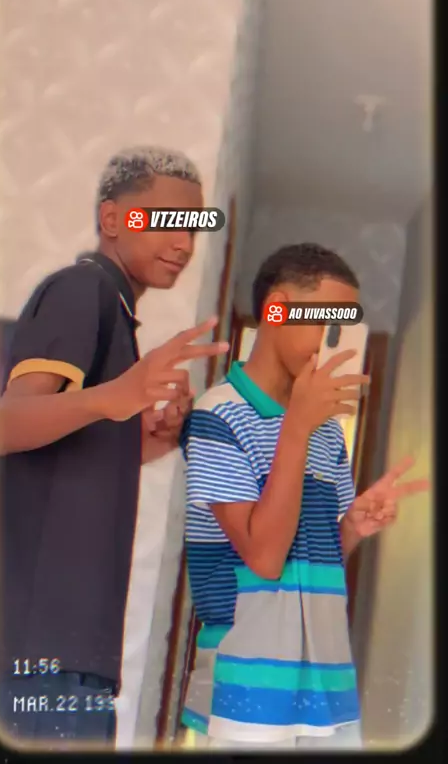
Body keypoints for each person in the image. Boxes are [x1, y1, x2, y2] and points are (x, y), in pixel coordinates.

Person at [0, 146, 229, 750]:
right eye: (166, 221)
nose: (183, 244)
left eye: (192, 228)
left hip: (71, 646)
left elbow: (69, 453)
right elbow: (5, 424)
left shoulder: (115, 312)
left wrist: (145, 439)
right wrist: (117, 397)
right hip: (40, 646)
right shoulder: (82, 290)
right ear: (113, 218)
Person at [181, 242, 429, 751]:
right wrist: (296, 427)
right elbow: (265, 559)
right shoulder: (217, 417)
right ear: (276, 309)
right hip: (248, 681)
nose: (331, 340)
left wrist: (350, 528)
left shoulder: (327, 432)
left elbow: (309, 562)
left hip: (323, 677)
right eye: (325, 322)